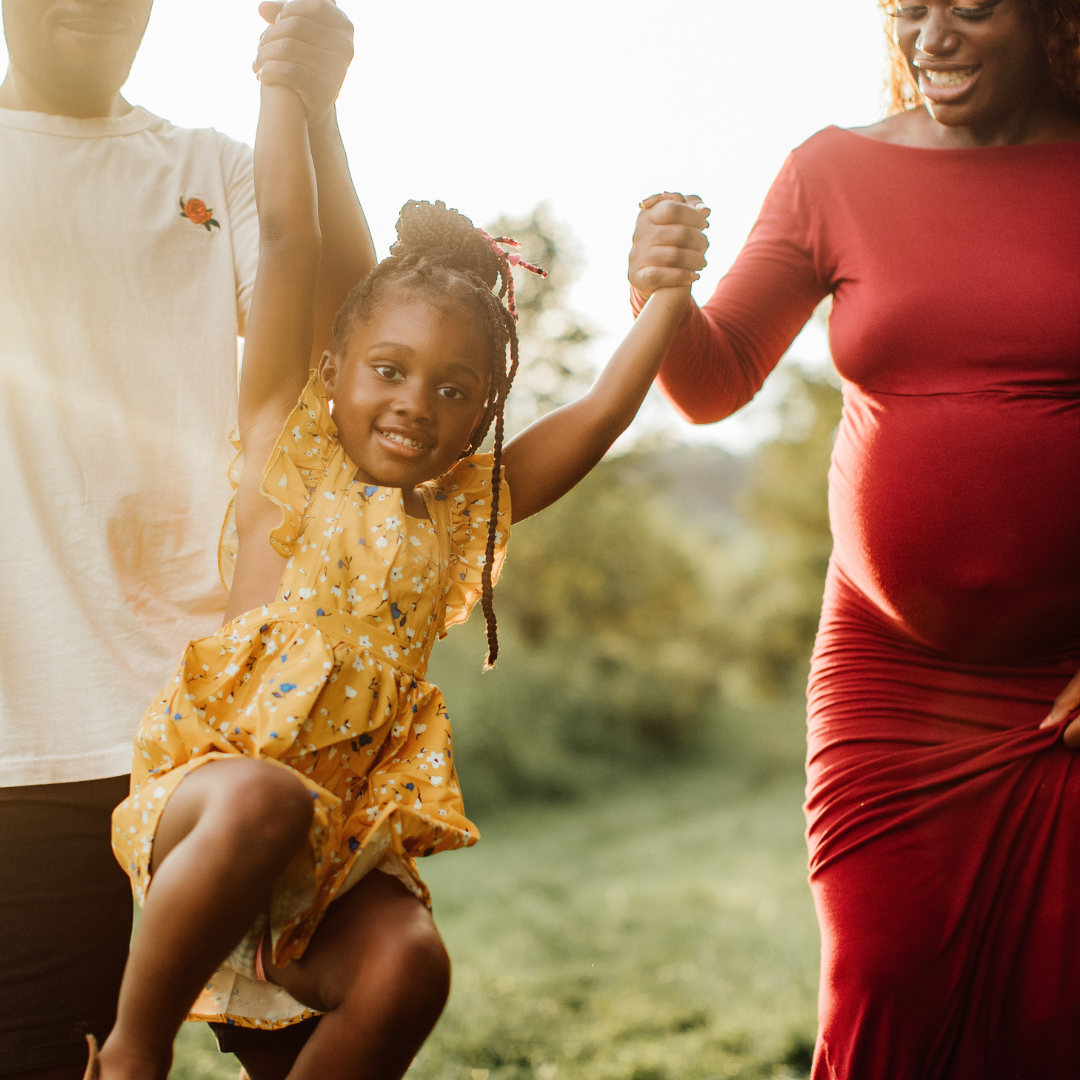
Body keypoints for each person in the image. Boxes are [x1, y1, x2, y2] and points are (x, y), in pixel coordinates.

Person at [88, 52, 701, 1080]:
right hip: (209, 809)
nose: (419, 400)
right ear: (333, 369)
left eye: (457, 389)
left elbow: (595, 415)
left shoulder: (467, 512)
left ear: (483, 418)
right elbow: (294, 237)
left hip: (327, 860)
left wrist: (667, 301)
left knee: (411, 967)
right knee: (266, 800)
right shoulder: (288, 441)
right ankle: (131, 1056)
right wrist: (287, 91)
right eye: (390, 369)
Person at [628, 1, 1080, 1076]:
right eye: (910, 10)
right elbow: (709, 378)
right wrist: (658, 289)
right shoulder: (832, 171)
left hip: (1064, 690)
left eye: (969, 7)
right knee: (880, 988)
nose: (932, 37)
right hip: (893, 672)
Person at [0, 2, 374, 1077]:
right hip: (22, 742)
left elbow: (346, 334)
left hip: (221, 721)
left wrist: (318, 114)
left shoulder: (218, 165)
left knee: (325, 1033)